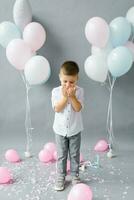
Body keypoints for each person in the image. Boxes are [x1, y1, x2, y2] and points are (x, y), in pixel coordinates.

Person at [51, 61, 84, 191]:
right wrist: (65, 98)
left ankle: (75, 175)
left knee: (75, 154)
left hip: (75, 129)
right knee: (61, 154)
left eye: (72, 82)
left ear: (77, 79)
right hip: (59, 130)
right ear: (60, 77)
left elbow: (78, 108)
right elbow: (57, 109)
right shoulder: (55, 92)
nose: (68, 84)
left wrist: (73, 97)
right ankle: (61, 176)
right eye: (65, 81)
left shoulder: (80, 91)